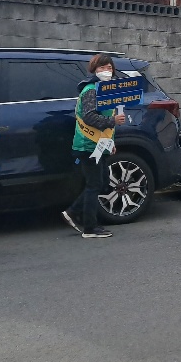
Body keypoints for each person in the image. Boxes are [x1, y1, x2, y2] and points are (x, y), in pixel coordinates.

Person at [61, 53, 126, 239]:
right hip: (88, 145)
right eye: (102, 68)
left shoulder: (107, 90)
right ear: (94, 70)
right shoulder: (91, 90)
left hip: (100, 144)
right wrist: (113, 120)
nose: (106, 71)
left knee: (103, 182)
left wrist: (110, 142)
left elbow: (104, 119)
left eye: (109, 68)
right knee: (94, 184)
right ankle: (89, 227)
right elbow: (89, 117)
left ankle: (73, 212)